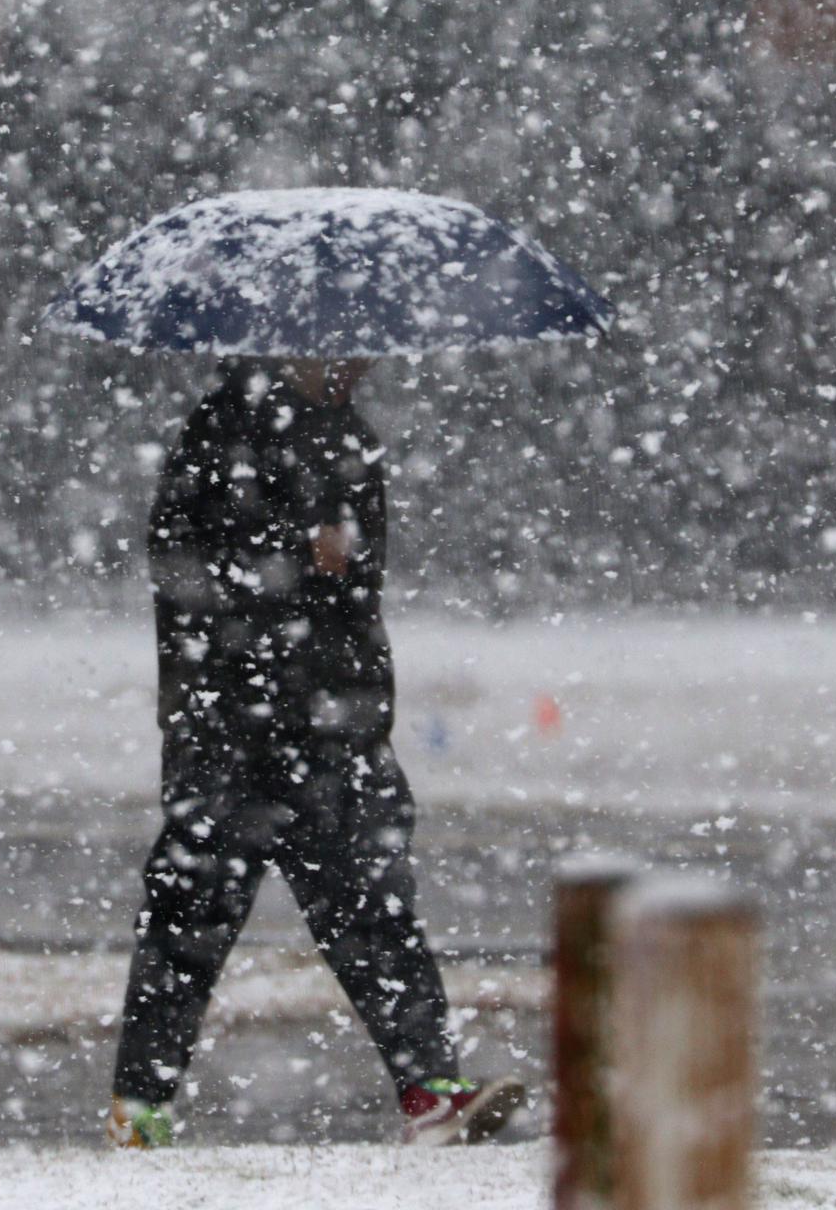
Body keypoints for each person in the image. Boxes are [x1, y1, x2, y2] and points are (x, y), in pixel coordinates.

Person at [106, 356, 526, 1149]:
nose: (364, 360)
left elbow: (352, 596)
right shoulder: (221, 433)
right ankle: (139, 1106)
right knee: (190, 916)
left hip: (333, 726)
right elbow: (183, 573)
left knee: (374, 907)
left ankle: (432, 1090)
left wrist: (333, 594)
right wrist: (296, 560)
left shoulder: (349, 439)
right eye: (347, 344)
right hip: (232, 729)